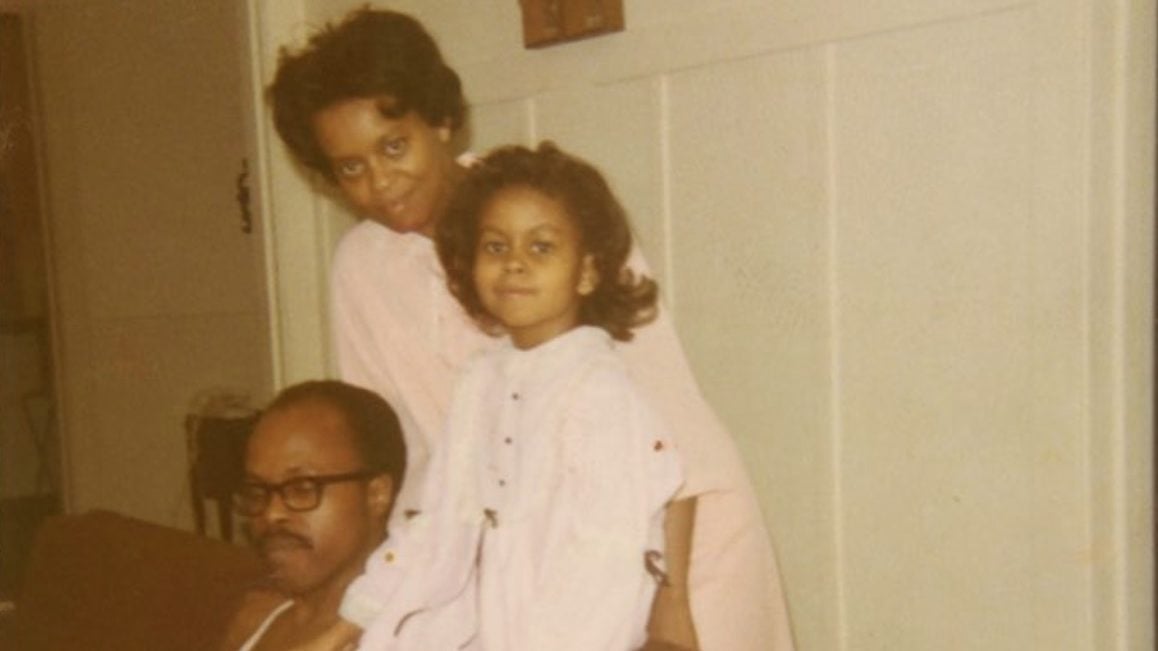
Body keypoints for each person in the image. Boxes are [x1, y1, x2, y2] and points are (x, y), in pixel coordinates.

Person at [268, 7, 794, 650]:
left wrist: (671, 600)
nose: (380, 182)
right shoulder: (361, 269)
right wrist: (367, 607)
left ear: (440, 120)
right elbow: (402, 461)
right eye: (350, 168)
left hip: (676, 542)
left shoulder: (546, 213)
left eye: (394, 146)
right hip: (522, 570)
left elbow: (670, 422)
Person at [217, 380, 407, 651]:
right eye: (257, 491)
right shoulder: (258, 619)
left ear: (376, 494)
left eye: (302, 488)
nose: (271, 514)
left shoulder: (408, 634)